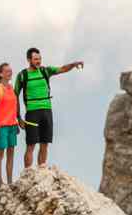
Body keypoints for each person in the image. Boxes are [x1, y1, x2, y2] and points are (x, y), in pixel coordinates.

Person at [16, 46, 84, 174]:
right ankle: (28, 173)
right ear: (29, 60)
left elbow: (62, 69)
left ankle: (42, 170)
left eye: (40, 59)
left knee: (45, 143)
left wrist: (74, 64)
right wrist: (18, 117)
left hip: (47, 111)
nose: (38, 61)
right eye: (35, 59)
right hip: (32, 112)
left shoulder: (45, 71)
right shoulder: (22, 75)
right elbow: (15, 96)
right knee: (31, 144)